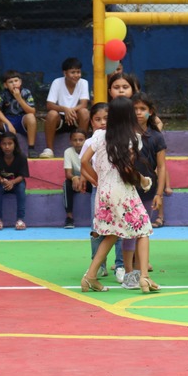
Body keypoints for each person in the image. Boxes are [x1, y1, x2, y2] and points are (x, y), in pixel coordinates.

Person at [80, 96, 158, 294]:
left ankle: (90, 277)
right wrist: (142, 180)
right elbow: (127, 171)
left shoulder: (99, 136)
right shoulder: (134, 139)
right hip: (123, 191)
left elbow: (84, 162)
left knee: (112, 233)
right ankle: (144, 277)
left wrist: (97, 180)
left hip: (104, 192)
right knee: (143, 230)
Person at [116, 91, 167, 289]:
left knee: (142, 231)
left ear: (150, 111)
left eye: (142, 109)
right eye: (134, 109)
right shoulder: (124, 135)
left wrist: (159, 194)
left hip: (147, 190)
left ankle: (140, 270)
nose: (138, 112)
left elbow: (161, 167)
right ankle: (128, 272)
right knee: (128, 232)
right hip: (127, 189)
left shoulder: (156, 137)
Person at [82, 102, 125, 281]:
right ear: (91, 122)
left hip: (118, 190)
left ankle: (121, 265)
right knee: (96, 228)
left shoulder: (120, 139)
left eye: (106, 119)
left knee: (120, 228)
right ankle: (98, 264)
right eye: (97, 119)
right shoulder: (90, 142)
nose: (102, 122)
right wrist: (95, 180)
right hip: (98, 192)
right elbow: (83, 164)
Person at [43, 57, 90, 159]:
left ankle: (82, 149)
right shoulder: (57, 82)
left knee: (85, 112)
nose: (76, 75)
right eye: (73, 72)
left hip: (75, 118)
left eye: (78, 72)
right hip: (60, 119)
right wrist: (65, 109)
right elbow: (49, 105)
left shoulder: (83, 82)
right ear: (65, 73)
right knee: (51, 114)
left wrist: (70, 111)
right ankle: (49, 149)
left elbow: (84, 104)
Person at [0, 69, 37, 152]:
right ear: (5, 85)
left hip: (22, 120)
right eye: (10, 82)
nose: (14, 83)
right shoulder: (4, 94)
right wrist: (8, 124)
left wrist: (19, 98)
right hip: (8, 120)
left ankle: (31, 148)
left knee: (31, 117)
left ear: (20, 82)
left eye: (16, 81)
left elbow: (32, 111)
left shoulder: (26, 92)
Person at [0, 131, 29, 230]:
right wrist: (3, 181)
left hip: (16, 182)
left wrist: (12, 182)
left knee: (21, 189)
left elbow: (22, 175)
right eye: (4, 144)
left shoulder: (21, 157)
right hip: (2, 183)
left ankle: (20, 219)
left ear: (15, 144)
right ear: (0, 145)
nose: (7, 147)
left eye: (10, 144)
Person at [63, 128, 90, 229]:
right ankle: (69, 218)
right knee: (66, 185)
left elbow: (93, 170)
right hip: (76, 181)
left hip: (89, 179)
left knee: (98, 186)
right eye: (75, 140)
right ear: (71, 141)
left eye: (81, 140)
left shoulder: (90, 150)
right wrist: (74, 178)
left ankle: (99, 216)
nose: (78, 142)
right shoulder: (68, 152)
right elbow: (68, 173)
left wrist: (84, 179)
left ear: (85, 140)